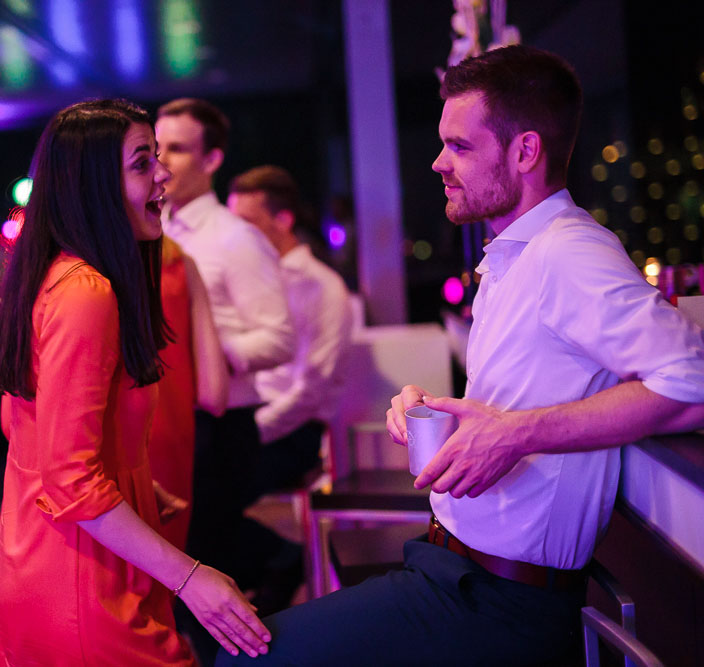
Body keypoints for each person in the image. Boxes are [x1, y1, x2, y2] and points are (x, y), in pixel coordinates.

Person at [219, 44, 704, 666]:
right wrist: (431, 409)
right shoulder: (515, 255)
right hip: (448, 571)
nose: (438, 162)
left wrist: (515, 435)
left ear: (525, 151)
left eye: (461, 146)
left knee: (240, 657)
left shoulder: (570, 252)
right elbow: (526, 394)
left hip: (497, 604)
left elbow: (691, 379)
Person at [0, 98, 270, 666]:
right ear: (93, 187)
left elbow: (23, 428)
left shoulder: (51, 276)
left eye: (158, 157)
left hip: (43, 564)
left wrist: (133, 482)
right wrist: (193, 579)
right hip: (82, 588)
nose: (162, 175)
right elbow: (70, 481)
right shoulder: (87, 293)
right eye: (143, 163)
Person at [155, 98, 294, 584]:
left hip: (223, 423)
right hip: (174, 417)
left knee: (208, 561)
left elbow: (279, 339)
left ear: (212, 159)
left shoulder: (235, 238)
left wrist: (209, 355)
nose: (161, 161)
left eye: (177, 149)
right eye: (156, 148)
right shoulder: (156, 230)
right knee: (183, 555)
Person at [227, 165, 352, 497]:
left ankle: (289, 552)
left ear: (283, 220)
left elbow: (310, 391)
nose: (235, 235)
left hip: (295, 431)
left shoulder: (324, 286)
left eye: (247, 224)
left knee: (213, 489)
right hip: (249, 415)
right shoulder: (248, 278)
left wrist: (252, 431)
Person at [147, 235, 229, 550]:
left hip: (113, 443)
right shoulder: (178, 262)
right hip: (172, 433)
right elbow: (214, 394)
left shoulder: (81, 268)